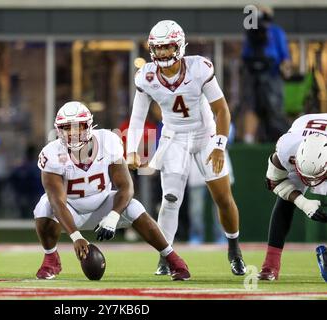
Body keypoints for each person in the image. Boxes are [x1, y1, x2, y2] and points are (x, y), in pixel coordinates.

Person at [126, 20, 246, 276]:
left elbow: (221, 110)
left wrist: (219, 144)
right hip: (174, 138)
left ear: (179, 46)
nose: (162, 54)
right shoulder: (146, 76)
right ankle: (165, 255)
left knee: (223, 198)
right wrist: (131, 149)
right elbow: (138, 116)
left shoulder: (199, 68)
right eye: (157, 49)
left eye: (167, 47)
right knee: (170, 200)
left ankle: (234, 248)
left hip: (205, 135)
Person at [34, 101, 190, 281]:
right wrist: (76, 236)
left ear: (90, 126)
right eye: (67, 128)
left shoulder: (108, 141)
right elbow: (57, 202)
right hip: (70, 210)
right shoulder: (51, 153)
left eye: (79, 126)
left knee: (134, 207)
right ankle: (51, 259)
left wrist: (114, 215)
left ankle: (172, 258)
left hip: (102, 204)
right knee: (44, 207)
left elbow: (126, 187)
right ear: (59, 130)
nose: (73, 133)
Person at [258, 114, 327, 281]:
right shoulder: (287, 147)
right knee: (284, 202)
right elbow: (274, 181)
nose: (310, 183)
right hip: (305, 133)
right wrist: (303, 203)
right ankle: (270, 265)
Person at [241, 5, 291, 143]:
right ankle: (249, 139)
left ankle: (280, 140)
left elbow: (285, 56)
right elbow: (245, 55)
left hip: (272, 74)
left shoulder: (276, 32)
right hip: (253, 75)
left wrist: (285, 70)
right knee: (252, 106)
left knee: (274, 107)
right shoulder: (250, 32)